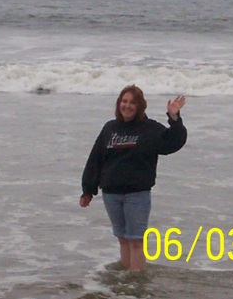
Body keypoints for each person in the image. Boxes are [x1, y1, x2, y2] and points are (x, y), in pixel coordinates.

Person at [79, 85, 187, 271]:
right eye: (124, 101)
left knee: (136, 240)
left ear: (140, 106)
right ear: (119, 104)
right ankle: (126, 283)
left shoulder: (149, 129)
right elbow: (96, 159)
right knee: (122, 239)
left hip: (137, 194)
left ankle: (136, 283)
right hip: (111, 194)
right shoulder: (110, 128)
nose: (127, 106)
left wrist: (174, 118)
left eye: (132, 103)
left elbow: (173, 142)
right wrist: (88, 190)